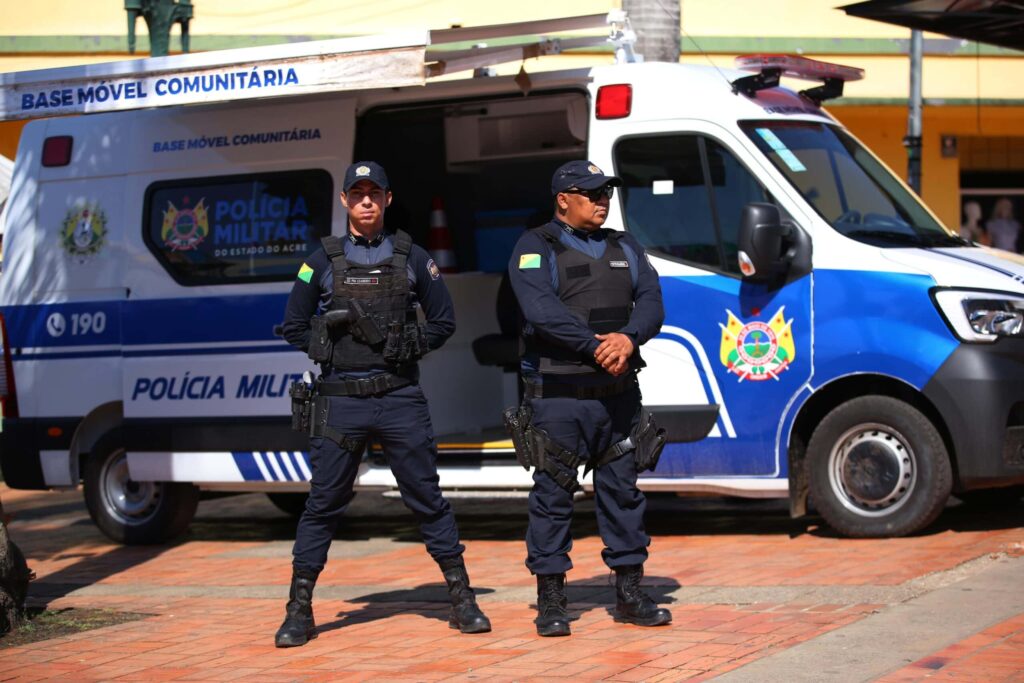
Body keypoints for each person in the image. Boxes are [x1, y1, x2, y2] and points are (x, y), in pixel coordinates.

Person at [275, 161, 490, 647]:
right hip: (340, 400)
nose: (367, 201)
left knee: (426, 498)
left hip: (398, 396)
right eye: (358, 193)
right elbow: (292, 326)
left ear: (388, 200)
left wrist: (408, 343)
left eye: (375, 193)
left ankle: (462, 598)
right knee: (324, 503)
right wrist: (326, 335)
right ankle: (298, 610)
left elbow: (443, 322)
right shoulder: (320, 261)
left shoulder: (413, 257)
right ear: (346, 201)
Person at [506, 160, 669, 637]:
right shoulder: (535, 246)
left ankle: (631, 594)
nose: (603, 201)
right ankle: (552, 602)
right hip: (559, 399)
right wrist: (599, 346)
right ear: (563, 198)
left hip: (618, 397)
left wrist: (630, 338)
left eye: (607, 194)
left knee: (624, 496)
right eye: (592, 193)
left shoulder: (624, 245)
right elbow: (541, 312)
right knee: (553, 499)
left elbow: (653, 301)